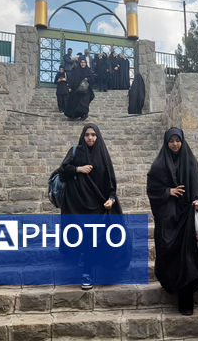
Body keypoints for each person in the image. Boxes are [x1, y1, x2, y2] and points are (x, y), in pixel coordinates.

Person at [146, 128, 198, 316]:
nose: (175, 144)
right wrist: (168, 192)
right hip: (167, 219)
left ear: (182, 142)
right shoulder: (159, 165)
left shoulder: (190, 161)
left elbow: (197, 185)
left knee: (187, 258)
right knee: (169, 254)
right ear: (166, 143)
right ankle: (171, 286)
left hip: (187, 216)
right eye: (171, 141)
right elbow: (152, 188)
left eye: (177, 140)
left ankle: (186, 300)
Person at [52, 124, 122, 289]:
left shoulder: (103, 155)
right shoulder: (76, 151)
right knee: (83, 237)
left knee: (97, 237)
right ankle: (86, 272)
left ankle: (94, 270)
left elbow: (110, 180)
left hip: (97, 204)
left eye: (93, 135)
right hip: (77, 205)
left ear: (98, 137)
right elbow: (62, 170)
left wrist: (111, 198)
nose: (90, 138)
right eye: (87, 135)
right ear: (83, 137)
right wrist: (78, 169)